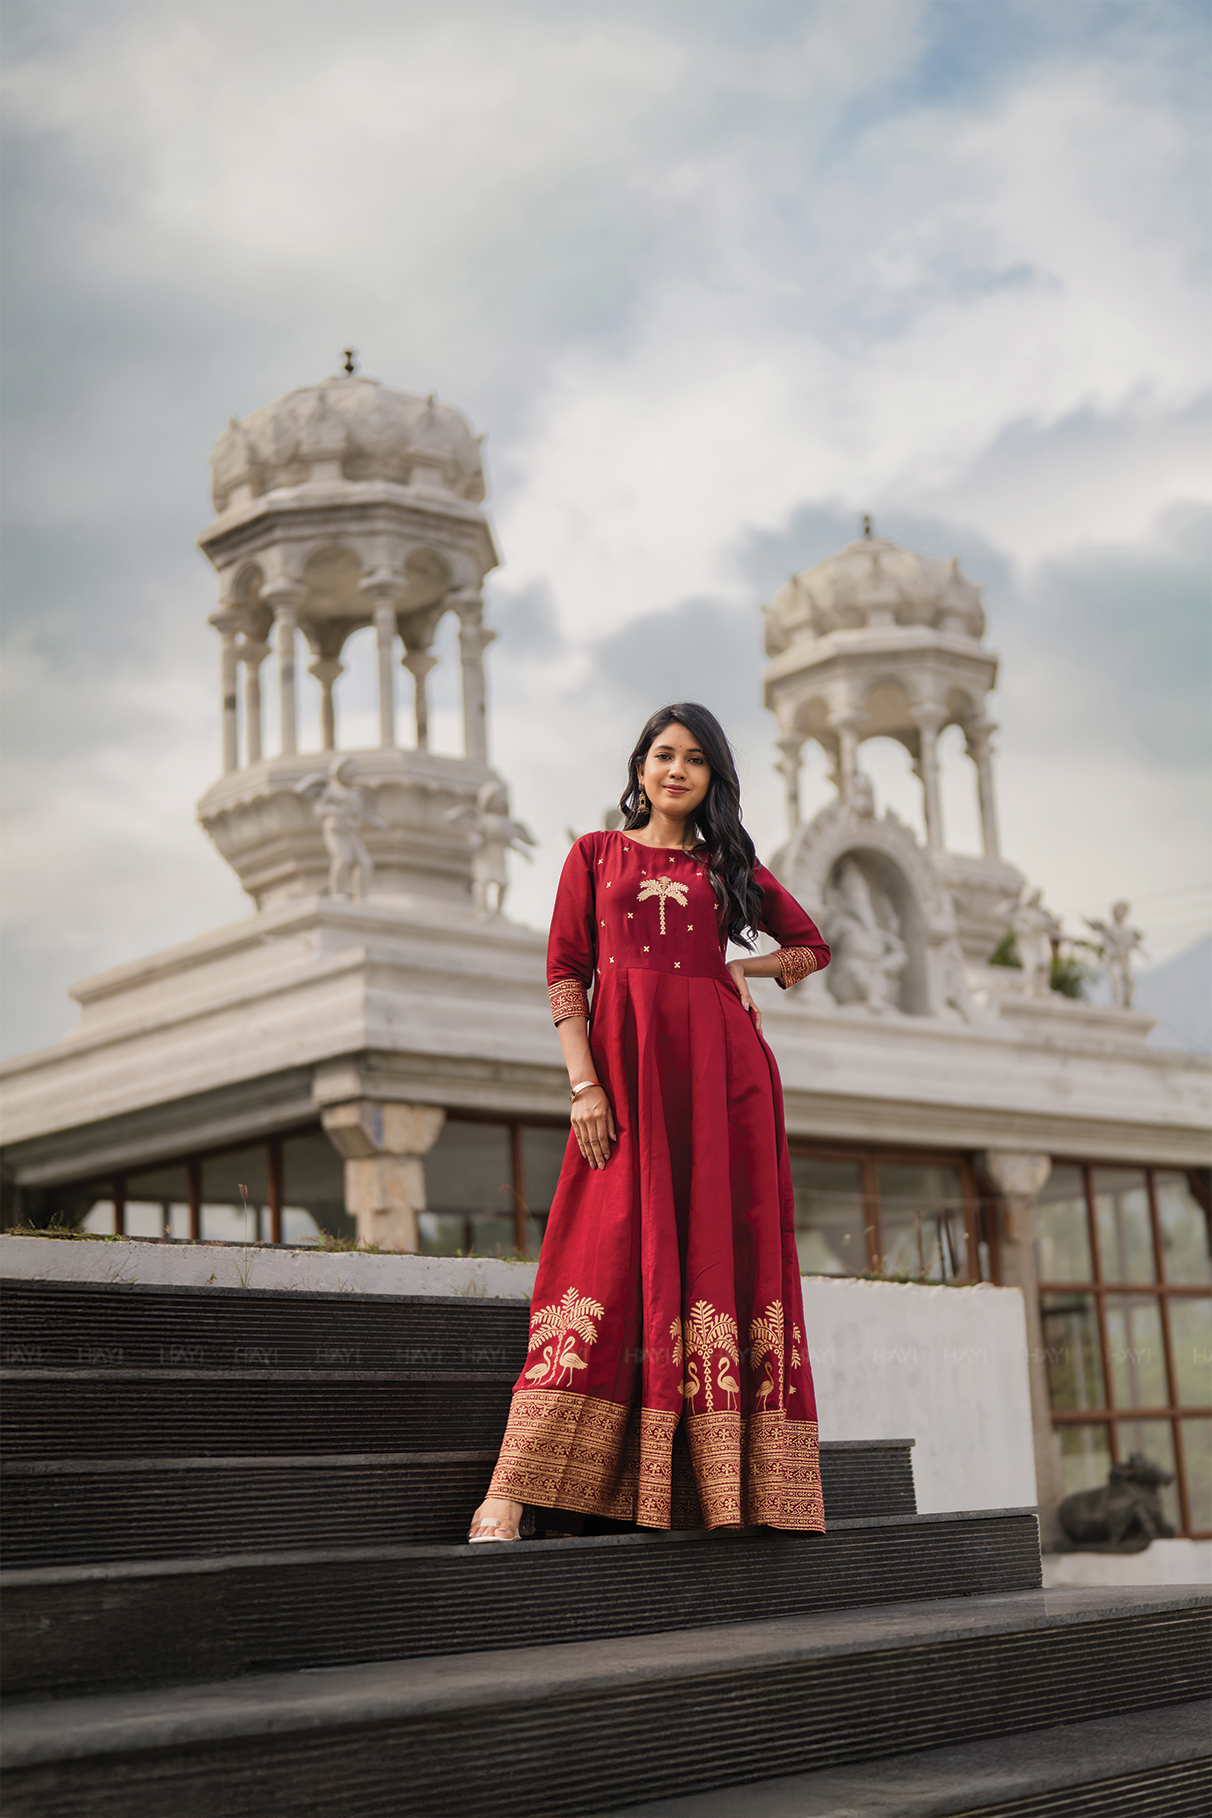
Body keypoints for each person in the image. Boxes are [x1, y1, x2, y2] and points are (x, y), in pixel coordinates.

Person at [468, 703, 832, 1543]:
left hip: (721, 1083)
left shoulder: (726, 865)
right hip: (624, 1079)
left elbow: (811, 944)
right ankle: (513, 1488)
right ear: (639, 769)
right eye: (664, 755)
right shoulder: (594, 856)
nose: (678, 770)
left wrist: (751, 965)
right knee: (595, 1254)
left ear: (712, 779)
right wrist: (583, 1087)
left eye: (696, 760)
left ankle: (727, 1488)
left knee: (715, 1251)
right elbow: (566, 973)